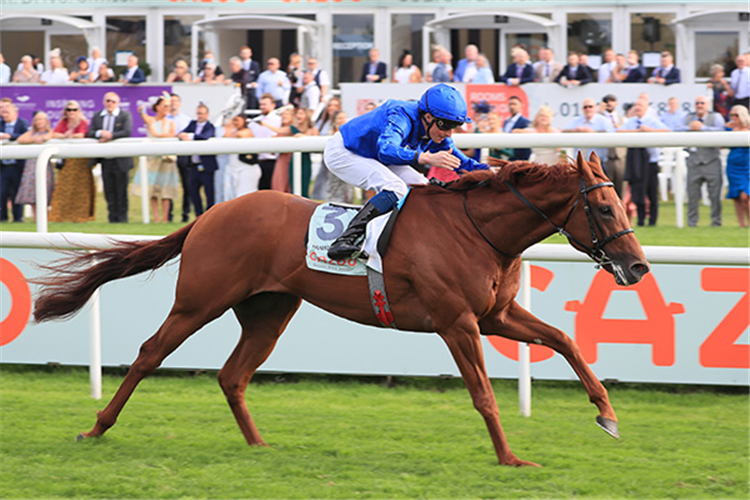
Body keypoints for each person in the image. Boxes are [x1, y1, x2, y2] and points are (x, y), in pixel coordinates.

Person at [324, 84, 488, 260]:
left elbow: (464, 163)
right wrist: (424, 157)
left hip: (374, 155)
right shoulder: (401, 115)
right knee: (396, 187)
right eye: (445, 126)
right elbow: (386, 149)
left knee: (424, 186)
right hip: (345, 151)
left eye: (454, 127)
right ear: (428, 116)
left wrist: (489, 172)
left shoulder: (435, 129)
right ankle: (345, 240)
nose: (448, 134)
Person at [618, 99, 670, 226]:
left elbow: (667, 132)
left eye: (640, 105)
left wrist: (648, 130)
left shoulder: (652, 121)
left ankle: (653, 221)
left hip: (651, 162)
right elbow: (619, 131)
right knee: (638, 191)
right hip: (636, 163)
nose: (637, 107)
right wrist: (637, 132)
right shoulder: (631, 121)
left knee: (652, 192)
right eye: (636, 105)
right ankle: (640, 220)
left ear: (646, 108)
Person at [86, 92, 134, 223]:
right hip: (105, 159)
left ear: (117, 103)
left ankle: (122, 219)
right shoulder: (97, 116)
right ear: (103, 102)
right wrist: (100, 133)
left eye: (113, 101)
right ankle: (112, 218)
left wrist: (110, 136)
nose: (110, 103)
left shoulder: (125, 115)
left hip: (121, 159)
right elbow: (89, 132)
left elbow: (127, 131)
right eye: (108, 101)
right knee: (109, 191)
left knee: (121, 191)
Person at [682, 96, 726, 227]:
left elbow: (722, 131)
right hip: (693, 161)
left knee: (715, 195)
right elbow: (676, 128)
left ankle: (716, 222)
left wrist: (703, 128)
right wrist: (690, 127)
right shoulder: (689, 117)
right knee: (692, 195)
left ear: (708, 104)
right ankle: (692, 223)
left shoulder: (716, 117)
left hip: (711, 160)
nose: (699, 105)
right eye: (697, 103)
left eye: (702, 103)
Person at [134, 96, 179, 223]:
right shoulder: (150, 120)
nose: (167, 109)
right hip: (153, 160)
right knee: (152, 190)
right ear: (157, 107)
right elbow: (155, 132)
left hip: (166, 160)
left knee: (166, 191)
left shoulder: (171, 123)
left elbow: (170, 135)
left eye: (168, 106)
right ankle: (156, 218)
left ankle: (165, 219)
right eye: (164, 106)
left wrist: (162, 136)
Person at [49, 101, 94, 223]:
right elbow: (54, 133)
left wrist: (69, 135)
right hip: (66, 161)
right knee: (64, 188)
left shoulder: (83, 122)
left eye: (74, 110)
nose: (71, 112)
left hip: (80, 161)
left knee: (81, 189)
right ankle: (60, 216)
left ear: (78, 111)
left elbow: (82, 134)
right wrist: (65, 136)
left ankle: (80, 216)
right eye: (69, 110)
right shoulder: (63, 122)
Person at [177, 103, 218, 216]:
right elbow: (181, 133)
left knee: (209, 194)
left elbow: (205, 137)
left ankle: (210, 216)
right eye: (198, 113)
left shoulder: (210, 126)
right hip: (193, 165)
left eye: (201, 113)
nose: (199, 116)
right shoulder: (192, 124)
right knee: (193, 193)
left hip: (206, 167)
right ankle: (198, 216)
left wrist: (190, 136)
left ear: (207, 114)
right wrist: (183, 135)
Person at [15, 112, 54, 221]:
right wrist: (34, 139)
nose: (39, 122)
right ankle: (36, 219)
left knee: (45, 191)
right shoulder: (31, 133)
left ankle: (44, 219)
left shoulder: (50, 132)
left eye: (41, 119)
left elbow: (49, 136)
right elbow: (20, 139)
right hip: (31, 165)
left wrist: (41, 137)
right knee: (32, 193)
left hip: (45, 164)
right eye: (37, 120)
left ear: (46, 121)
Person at [562, 98, 615, 164]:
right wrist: (574, 131)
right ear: (582, 109)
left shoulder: (604, 121)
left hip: (599, 162)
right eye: (585, 107)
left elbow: (612, 136)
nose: (588, 109)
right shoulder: (576, 120)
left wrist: (593, 133)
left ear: (595, 108)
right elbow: (563, 132)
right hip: (579, 162)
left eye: (590, 106)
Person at [0, 102, 29, 222]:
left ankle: (18, 218)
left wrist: (9, 136)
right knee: (2, 192)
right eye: (2, 112)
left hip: (18, 165)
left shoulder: (22, 123)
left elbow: (25, 136)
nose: (4, 115)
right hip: (3, 166)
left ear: (15, 113)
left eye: (7, 112)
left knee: (17, 192)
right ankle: (2, 218)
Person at [167, 93, 193, 223]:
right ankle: (168, 215)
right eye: (171, 101)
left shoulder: (187, 119)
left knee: (187, 185)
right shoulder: (164, 119)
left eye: (176, 101)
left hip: (183, 155)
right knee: (168, 186)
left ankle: (185, 214)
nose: (173, 103)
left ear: (180, 103)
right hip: (167, 155)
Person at [222, 114, 260, 201]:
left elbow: (239, 135)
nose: (235, 122)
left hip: (247, 167)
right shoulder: (233, 132)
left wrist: (229, 127)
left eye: (237, 120)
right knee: (230, 196)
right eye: (234, 120)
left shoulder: (247, 131)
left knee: (244, 196)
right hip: (233, 168)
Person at [311, 96, 342, 200]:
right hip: (324, 154)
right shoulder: (322, 122)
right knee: (322, 177)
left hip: (336, 154)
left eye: (335, 105)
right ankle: (319, 197)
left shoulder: (341, 120)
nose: (332, 108)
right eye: (330, 105)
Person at [725, 105, 750, 227]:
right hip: (733, 164)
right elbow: (721, 145)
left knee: (746, 196)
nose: (733, 118)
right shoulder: (729, 129)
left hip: (747, 164)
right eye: (732, 115)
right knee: (736, 196)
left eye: (736, 115)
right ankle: (741, 224)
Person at [600, 94, 627, 196]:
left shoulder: (622, 119)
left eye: (611, 101)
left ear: (616, 103)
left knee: (621, 188)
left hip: (621, 156)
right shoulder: (600, 118)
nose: (609, 103)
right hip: (607, 157)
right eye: (607, 101)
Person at [254, 94, 282, 190]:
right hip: (257, 160)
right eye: (260, 104)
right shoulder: (255, 121)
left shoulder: (278, 120)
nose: (262, 107)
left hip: (272, 160)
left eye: (264, 104)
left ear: (273, 105)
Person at [502, 96, 531, 161]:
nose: (512, 106)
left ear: (521, 106)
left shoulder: (525, 122)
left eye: (514, 104)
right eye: (510, 104)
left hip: (520, 158)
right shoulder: (506, 121)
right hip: (508, 156)